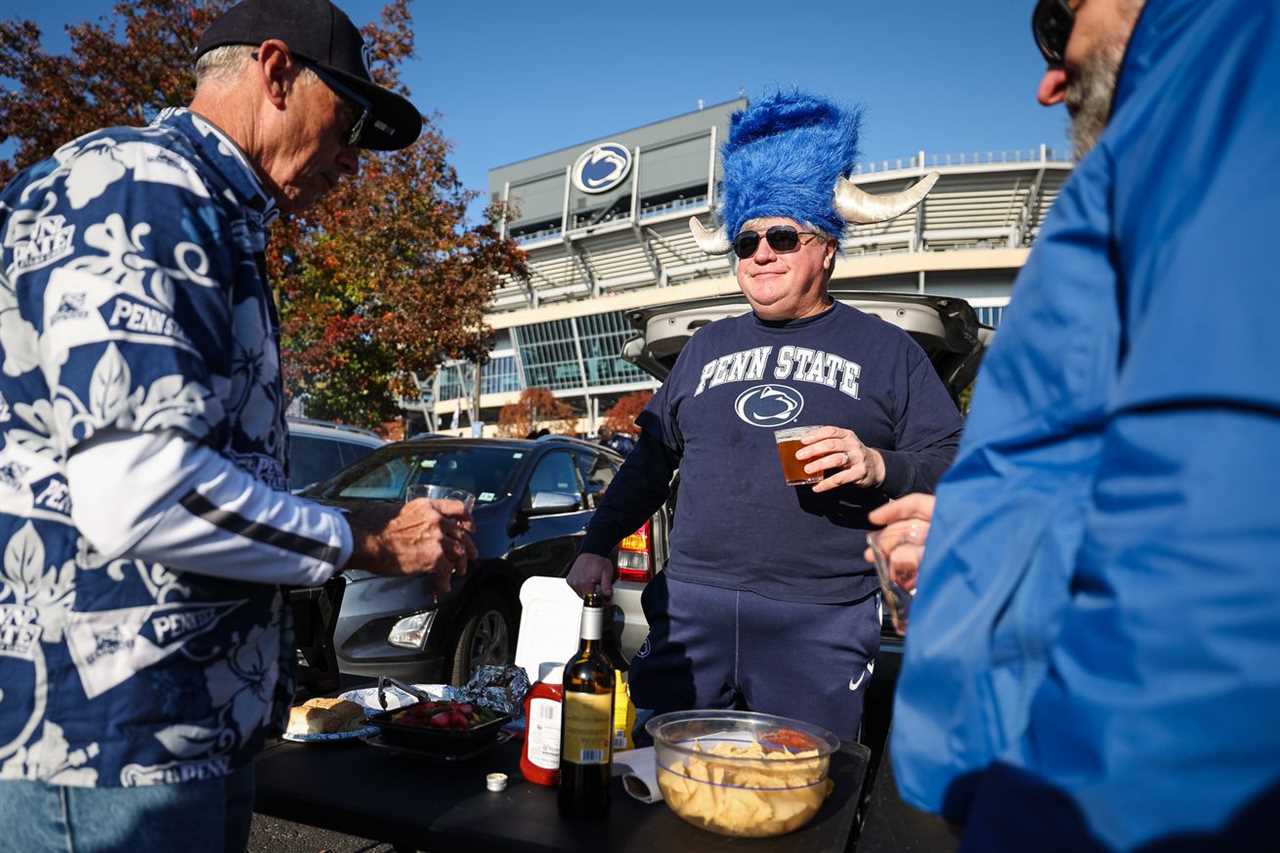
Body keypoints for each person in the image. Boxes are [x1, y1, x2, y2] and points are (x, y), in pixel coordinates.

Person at [0, 1, 476, 850]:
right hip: (108, 747)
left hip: (187, 729)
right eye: (351, 120)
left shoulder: (213, 214)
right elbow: (140, 493)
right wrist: (361, 539)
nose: (352, 159)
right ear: (276, 70)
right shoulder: (143, 187)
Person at [880, 1, 1280, 849]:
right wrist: (980, 536)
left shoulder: (1231, 78)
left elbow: (1223, 540)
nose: (1049, 76)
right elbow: (1123, 460)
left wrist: (1058, 818)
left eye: (1058, 23)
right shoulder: (1182, 117)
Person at [566, 92, 962, 742]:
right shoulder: (704, 347)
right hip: (690, 610)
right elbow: (648, 465)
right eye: (746, 240)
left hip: (820, 618)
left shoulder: (885, 349)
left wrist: (878, 463)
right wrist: (596, 543)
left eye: (783, 236)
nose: (762, 254)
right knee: (656, 787)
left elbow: (955, 463)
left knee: (803, 793)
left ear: (826, 249)